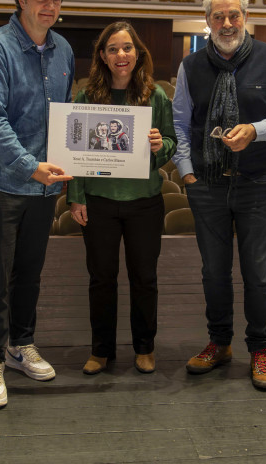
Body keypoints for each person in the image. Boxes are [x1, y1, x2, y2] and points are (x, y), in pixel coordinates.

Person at [172, 0, 266, 391]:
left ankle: (260, 350)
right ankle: (219, 343)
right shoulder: (191, 66)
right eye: (218, 16)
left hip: (256, 182)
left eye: (234, 15)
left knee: (257, 274)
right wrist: (186, 172)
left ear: (245, 17)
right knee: (213, 272)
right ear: (207, 20)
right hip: (207, 185)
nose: (227, 23)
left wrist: (256, 130)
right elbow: (179, 122)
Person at [0, 0, 74, 409]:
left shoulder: (64, 50)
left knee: (29, 274)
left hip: (43, 186)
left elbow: (67, 118)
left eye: (55, 0)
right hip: (0, 181)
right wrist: (30, 165)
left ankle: (20, 344)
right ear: (20, 0)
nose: (48, 7)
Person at [67, 21, 177, 375]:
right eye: (113, 49)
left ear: (137, 53)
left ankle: (145, 346)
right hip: (98, 202)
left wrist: (161, 147)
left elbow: (171, 143)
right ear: (102, 55)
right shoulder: (86, 96)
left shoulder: (154, 95)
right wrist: (76, 197)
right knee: (101, 278)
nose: (121, 55)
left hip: (144, 201)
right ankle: (101, 350)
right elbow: (75, 152)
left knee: (144, 278)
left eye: (127, 48)